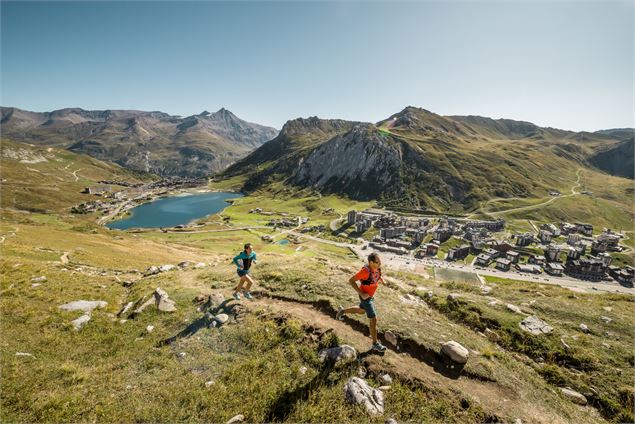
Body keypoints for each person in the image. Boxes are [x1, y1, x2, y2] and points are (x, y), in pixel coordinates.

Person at [336, 252, 387, 352]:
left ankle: (342, 311)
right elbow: (351, 280)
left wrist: (382, 280)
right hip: (365, 297)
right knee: (373, 319)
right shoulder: (365, 272)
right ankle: (375, 344)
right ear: (371, 262)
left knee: (361, 311)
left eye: (380, 261)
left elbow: (377, 275)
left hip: (370, 296)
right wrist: (362, 293)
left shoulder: (377, 268)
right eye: (377, 262)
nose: (380, 264)